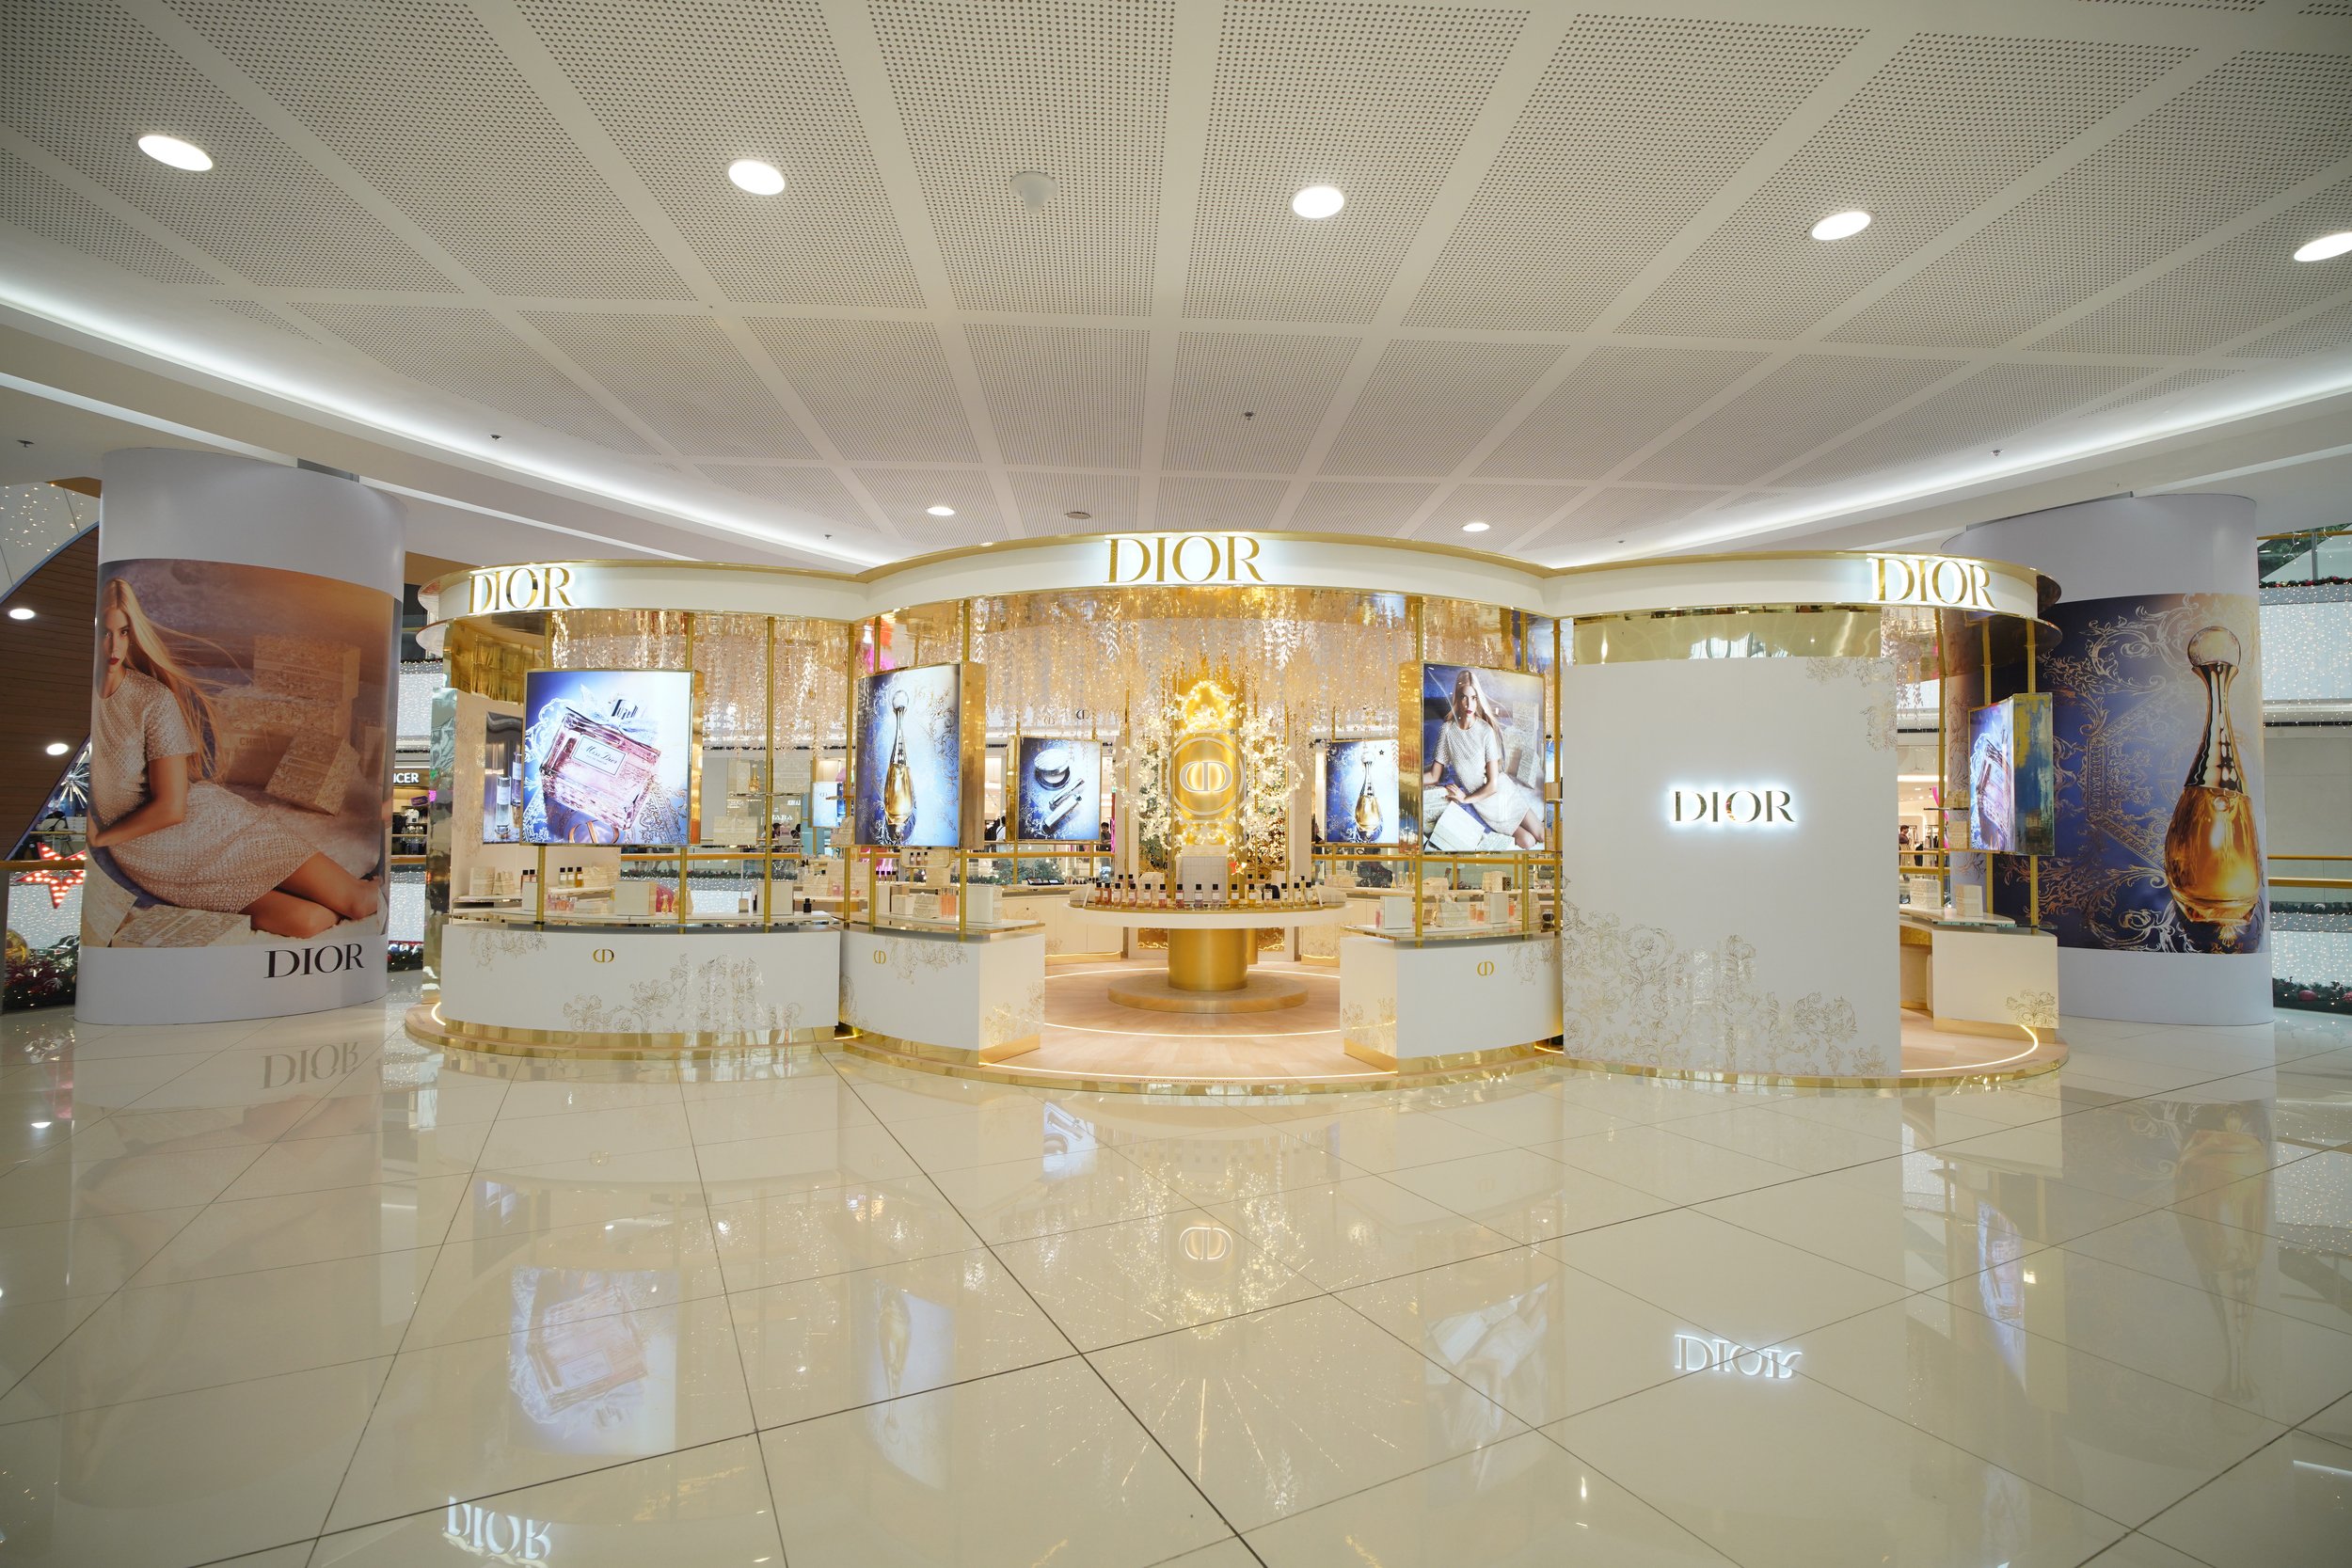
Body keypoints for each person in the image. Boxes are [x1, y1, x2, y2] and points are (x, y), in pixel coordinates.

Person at [87, 577, 380, 941]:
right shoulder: (90, 699)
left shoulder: (151, 699)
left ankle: (383, 888)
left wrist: (101, 838)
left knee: (356, 903)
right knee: (307, 921)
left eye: (124, 632)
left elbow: (172, 809)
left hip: (206, 825)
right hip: (149, 855)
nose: (114, 646)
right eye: (105, 632)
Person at [1423, 668, 1545, 849]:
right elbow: (1434, 775)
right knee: (1528, 842)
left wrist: (1465, 799)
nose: (1469, 704)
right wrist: (1409, 780)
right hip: (1485, 805)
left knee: (1541, 834)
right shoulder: (1447, 731)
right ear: (1457, 698)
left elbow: (1493, 785)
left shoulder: (1485, 731)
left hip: (1502, 793)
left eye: (1473, 698)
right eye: (1464, 697)